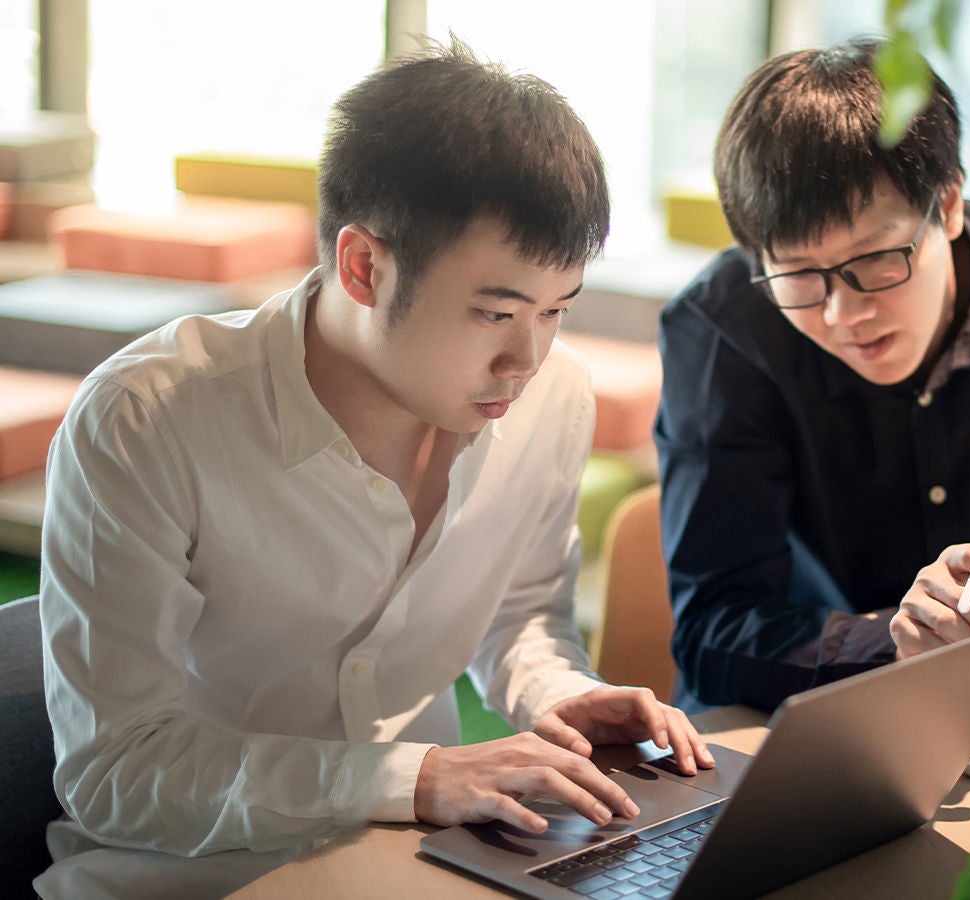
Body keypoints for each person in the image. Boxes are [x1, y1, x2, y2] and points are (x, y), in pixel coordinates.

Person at [36, 39, 713, 898]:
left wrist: (554, 689)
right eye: (496, 312)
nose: (527, 359)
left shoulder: (554, 399)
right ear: (363, 266)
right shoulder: (148, 420)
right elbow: (118, 771)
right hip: (189, 879)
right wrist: (414, 780)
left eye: (556, 311)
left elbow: (521, 612)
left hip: (430, 864)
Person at [655, 39, 970, 713]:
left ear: (947, 203)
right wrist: (893, 643)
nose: (844, 313)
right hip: (790, 728)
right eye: (800, 275)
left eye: (878, 259)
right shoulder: (723, 330)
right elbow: (712, 634)